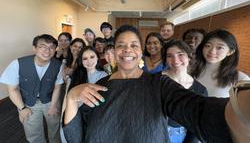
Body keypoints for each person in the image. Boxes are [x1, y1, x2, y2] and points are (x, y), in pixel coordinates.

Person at [63, 25, 239, 143]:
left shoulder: (159, 84)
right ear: (114, 51)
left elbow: (197, 110)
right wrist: (71, 98)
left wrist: (239, 112)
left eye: (134, 45)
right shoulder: (98, 88)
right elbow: (76, 138)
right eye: (121, 45)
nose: (127, 50)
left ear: (141, 51)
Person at [0, 34, 63, 143]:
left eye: (51, 47)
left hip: (50, 100)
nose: (47, 51)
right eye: (42, 46)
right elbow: (12, 89)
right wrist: (22, 108)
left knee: (55, 128)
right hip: (28, 102)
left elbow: (58, 87)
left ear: (55, 49)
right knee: (33, 133)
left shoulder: (58, 65)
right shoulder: (18, 64)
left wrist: (53, 106)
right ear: (34, 48)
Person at [161, 40, 208, 143]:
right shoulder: (155, 82)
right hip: (156, 133)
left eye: (180, 54)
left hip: (182, 136)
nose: (175, 60)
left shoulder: (200, 90)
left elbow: (198, 125)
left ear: (189, 57)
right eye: (169, 56)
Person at [191, 29, 250, 97]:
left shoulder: (240, 79)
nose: (212, 51)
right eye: (208, 46)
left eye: (219, 48)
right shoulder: (191, 69)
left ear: (230, 52)